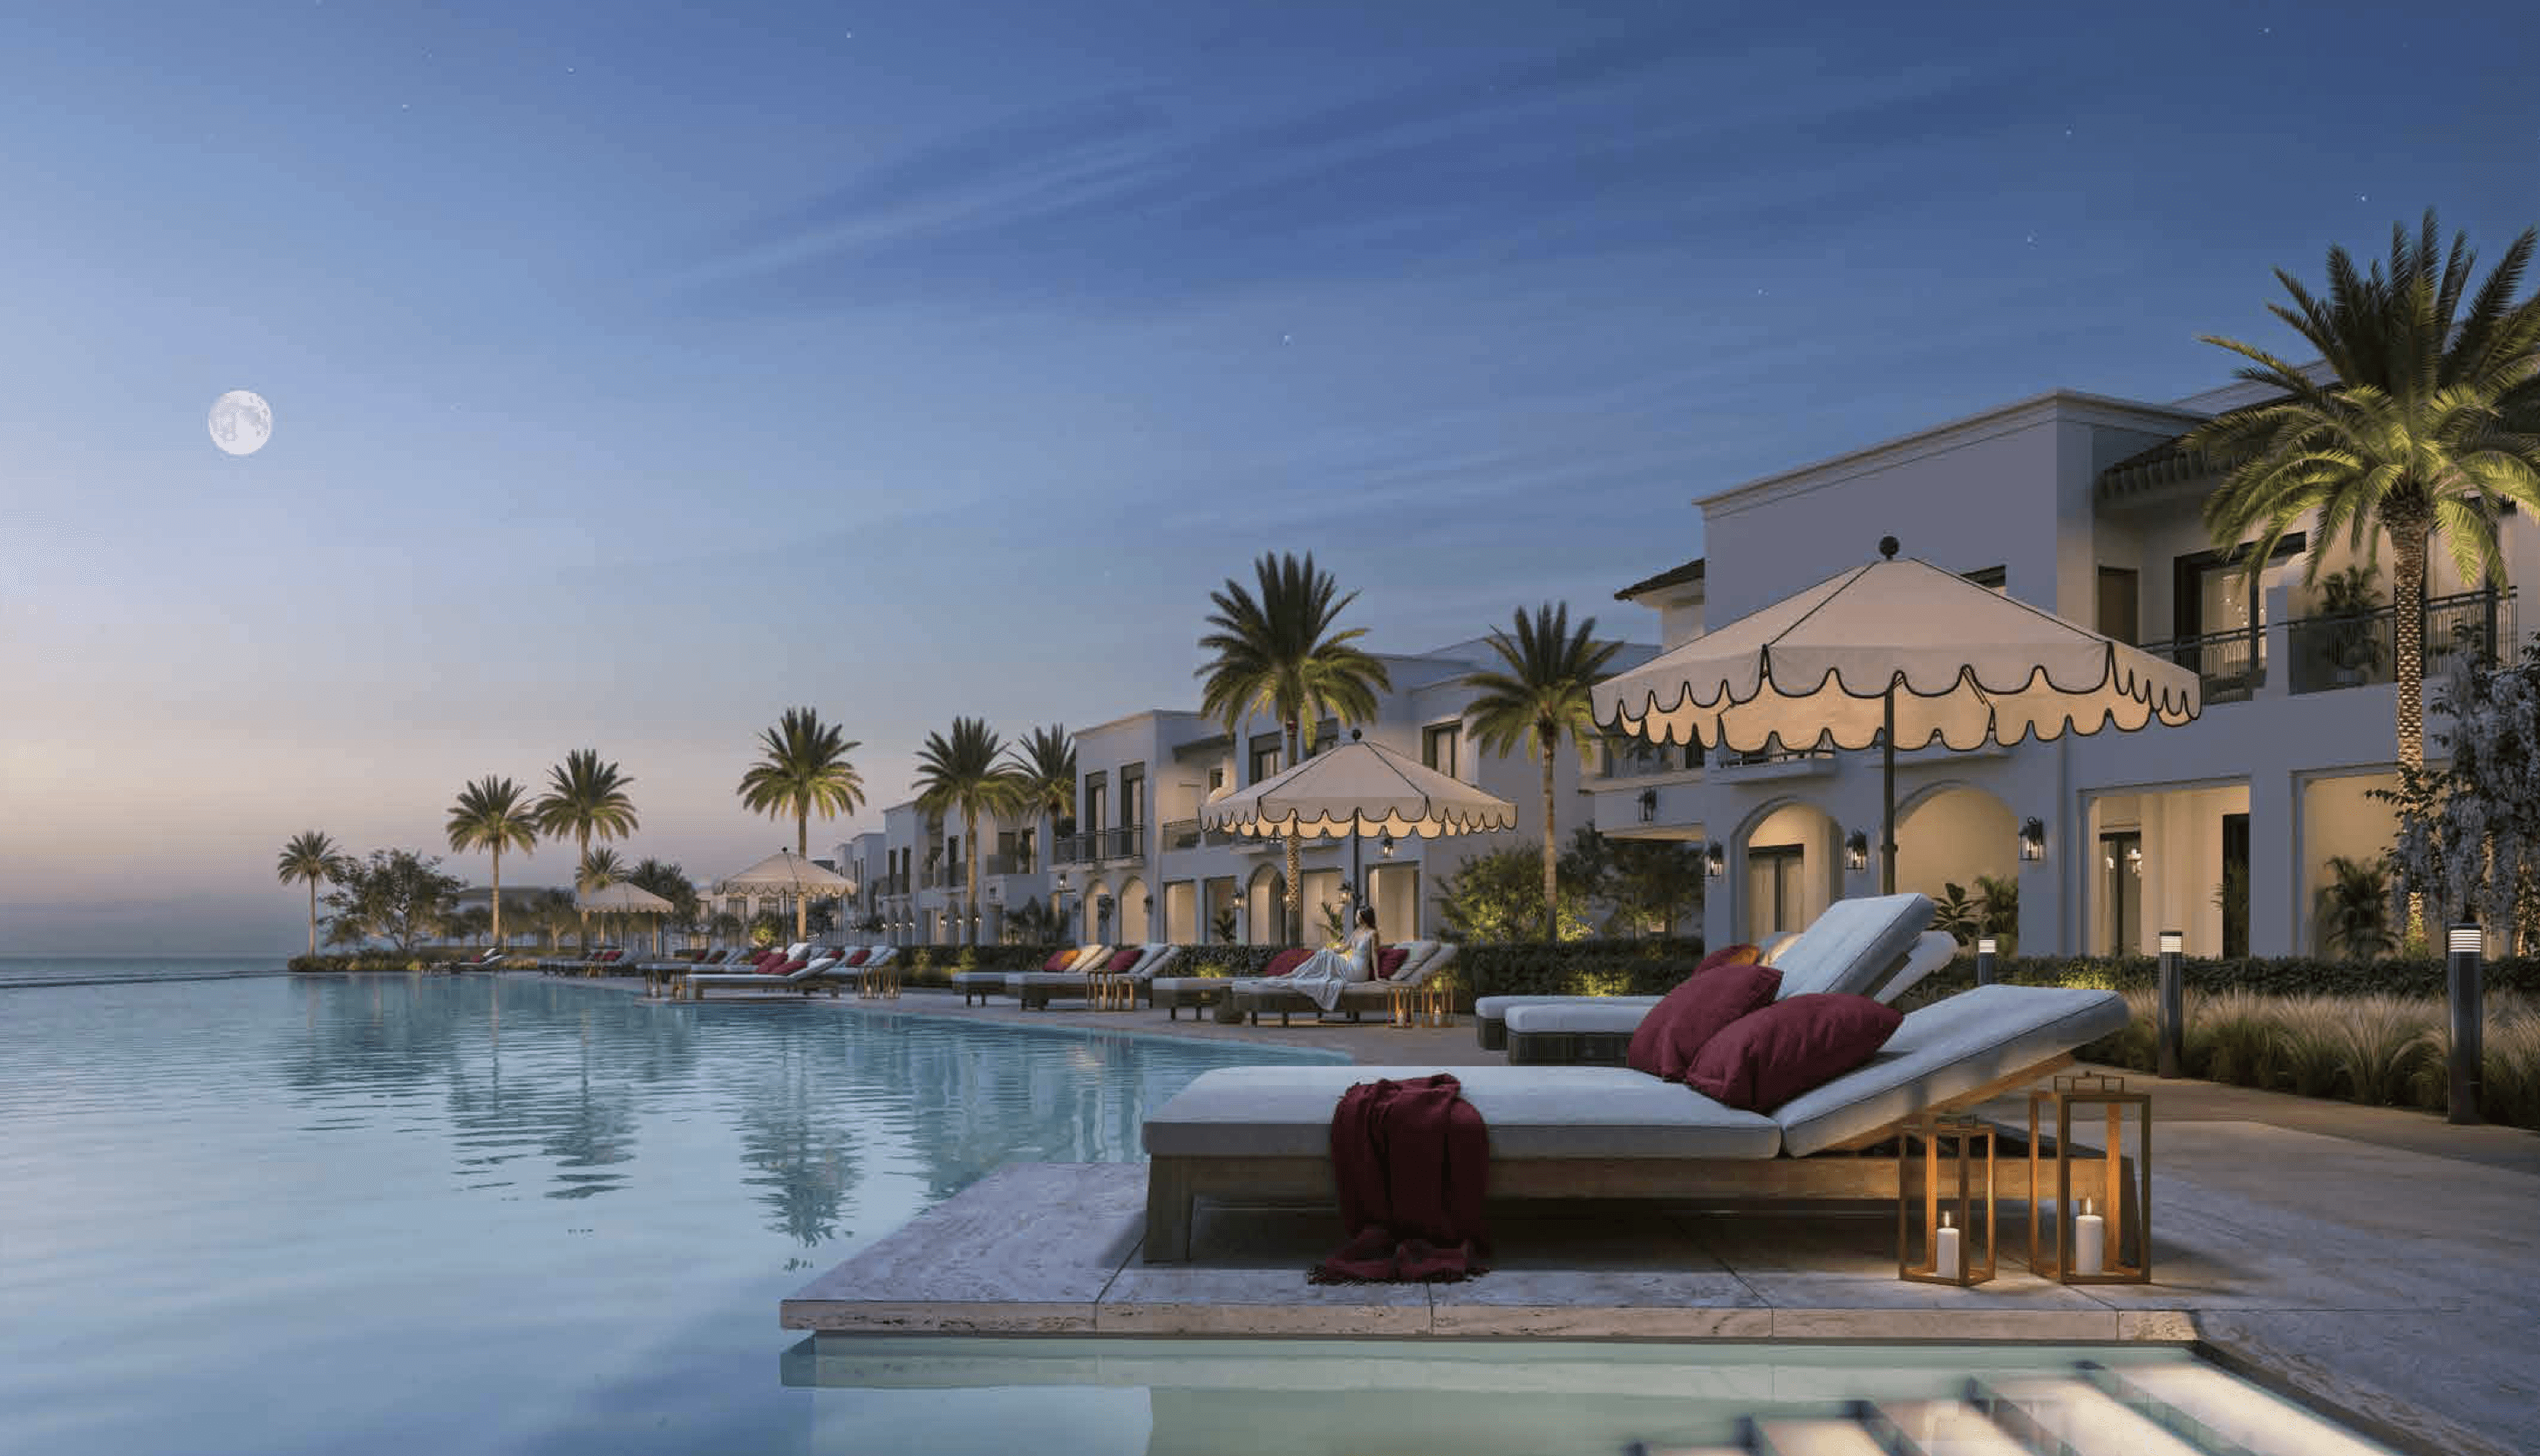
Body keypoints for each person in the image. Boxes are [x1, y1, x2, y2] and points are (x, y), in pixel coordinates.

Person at [1275, 907, 1380, 1013]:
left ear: (1363, 917)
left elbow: (1374, 955)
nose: (1355, 917)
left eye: (1357, 915)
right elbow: (1343, 949)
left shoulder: (1373, 934)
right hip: (1350, 966)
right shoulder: (1356, 932)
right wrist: (1329, 949)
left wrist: (1377, 977)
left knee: (1326, 954)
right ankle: (1297, 974)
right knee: (1324, 953)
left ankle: (1296, 974)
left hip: (1359, 972)